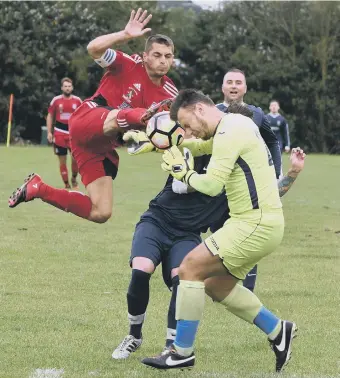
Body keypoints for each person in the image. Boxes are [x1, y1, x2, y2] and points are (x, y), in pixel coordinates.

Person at [113, 123, 304, 361]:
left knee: (185, 278)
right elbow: (180, 156)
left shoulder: (237, 178)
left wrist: (293, 173)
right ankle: (135, 336)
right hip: (157, 222)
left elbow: (268, 194)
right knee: (141, 270)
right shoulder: (202, 154)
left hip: (189, 234)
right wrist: (152, 142)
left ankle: (174, 346)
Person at [8, 8, 177, 224]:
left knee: (101, 212)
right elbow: (93, 49)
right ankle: (141, 115)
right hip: (88, 117)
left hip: (100, 145)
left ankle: (38, 188)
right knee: (116, 116)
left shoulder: (170, 94)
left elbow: (184, 123)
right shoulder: (128, 63)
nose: (163, 60)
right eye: (157, 55)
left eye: (168, 56)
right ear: (145, 56)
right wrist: (124, 35)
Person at [214, 68, 281, 291]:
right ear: (222, 87)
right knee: (220, 232)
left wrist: (276, 172)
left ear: (245, 88)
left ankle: (248, 288)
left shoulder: (257, 114)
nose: (234, 86)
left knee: (249, 232)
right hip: (218, 183)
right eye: (229, 82)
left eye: (238, 82)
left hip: (246, 185)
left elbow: (272, 142)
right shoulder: (211, 112)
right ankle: (222, 283)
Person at [46, 77, 82, 189]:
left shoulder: (78, 101)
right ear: (62, 88)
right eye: (65, 86)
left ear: (72, 87)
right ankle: (66, 184)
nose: (67, 88)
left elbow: (83, 116)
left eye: (69, 86)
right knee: (62, 160)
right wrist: (49, 132)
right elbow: (50, 116)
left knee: (75, 159)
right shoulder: (56, 100)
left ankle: (74, 178)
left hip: (73, 133)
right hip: (59, 133)